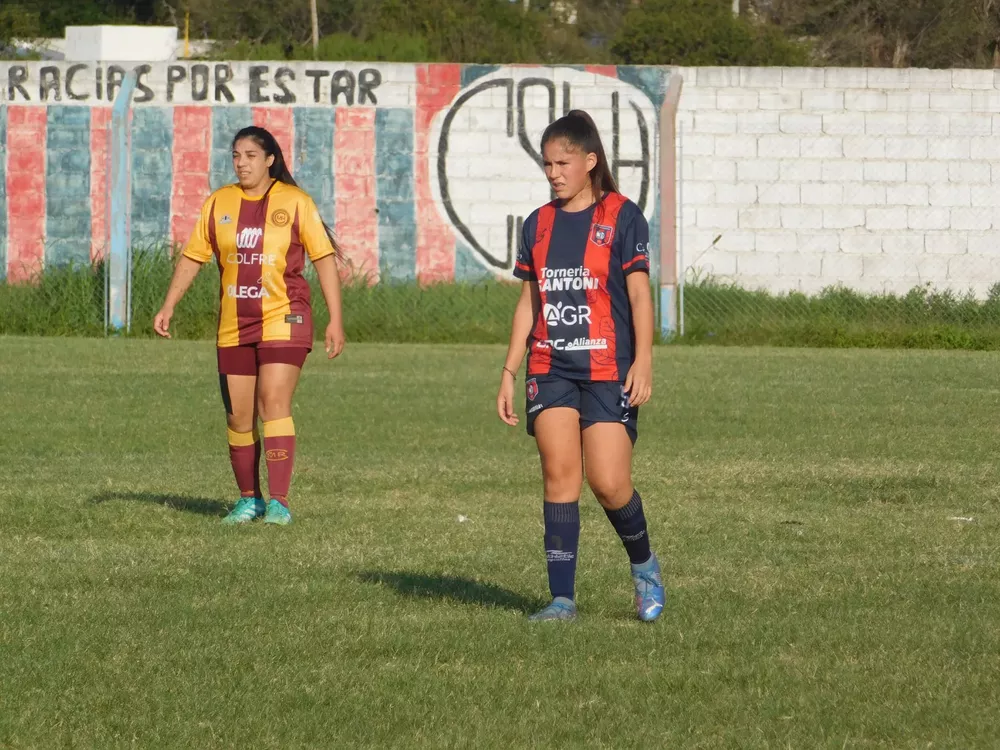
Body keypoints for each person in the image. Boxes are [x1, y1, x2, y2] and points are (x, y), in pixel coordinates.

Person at [496, 110, 665, 622]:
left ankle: (645, 568)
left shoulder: (622, 215)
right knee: (559, 476)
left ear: (590, 162)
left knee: (610, 482)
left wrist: (644, 359)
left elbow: (639, 296)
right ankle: (561, 600)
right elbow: (530, 301)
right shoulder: (537, 224)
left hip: (609, 367)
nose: (553, 173)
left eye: (563, 162)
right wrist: (508, 370)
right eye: (547, 163)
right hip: (550, 366)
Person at [153, 126, 346, 526]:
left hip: (285, 317)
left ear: (270, 159)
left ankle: (279, 501)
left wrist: (335, 320)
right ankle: (249, 499)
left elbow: (324, 260)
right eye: (236, 155)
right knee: (239, 417)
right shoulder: (219, 202)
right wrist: (169, 305)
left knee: (271, 402)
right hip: (234, 323)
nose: (241, 163)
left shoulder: (295, 202)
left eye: (250, 156)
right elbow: (193, 257)